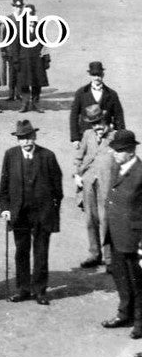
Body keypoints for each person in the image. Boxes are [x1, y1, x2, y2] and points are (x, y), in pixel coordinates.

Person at [0, 119, 63, 305]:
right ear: (17, 140)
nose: (26, 141)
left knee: (41, 252)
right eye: (22, 138)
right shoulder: (10, 155)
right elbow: (4, 185)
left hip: (43, 214)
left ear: (34, 136)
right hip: (20, 213)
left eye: (29, 137)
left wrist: (52, 210)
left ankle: (40, 290)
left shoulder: (47, 156)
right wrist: (5, 208)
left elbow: (57, 188)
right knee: (22, 251)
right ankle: (23, 289)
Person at [99, 131, 142, 339]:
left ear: (130, 151)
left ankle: (140, 323)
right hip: (116, 235)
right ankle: (124, 314)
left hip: (133, 239)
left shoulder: (140, 173)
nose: (113, 153)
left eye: (118, 150)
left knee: (137, 282)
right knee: (121, 278)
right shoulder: (119, 166)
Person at [73, 105, 116, 268]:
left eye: (99, 123)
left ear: (105, 121)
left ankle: (110, 258)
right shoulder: (87, 135)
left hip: (107, 184)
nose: (96, 127)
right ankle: (94, 254)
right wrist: (77, 174)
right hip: (89, 182)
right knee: (91, 219)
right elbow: (78, 157)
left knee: (106, 219)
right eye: (93, 124)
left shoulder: (114, 136)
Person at [69, 61, 125, 145]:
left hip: (107, 136)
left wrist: (120, 136)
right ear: (89, 75)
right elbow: (74, 116)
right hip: (86, 136)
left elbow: (119, 116)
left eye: (99, 75)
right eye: (94, 75)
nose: (96, 78)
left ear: (103, 75)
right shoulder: (81, 93)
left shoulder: (112, 94)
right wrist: (75, 138)